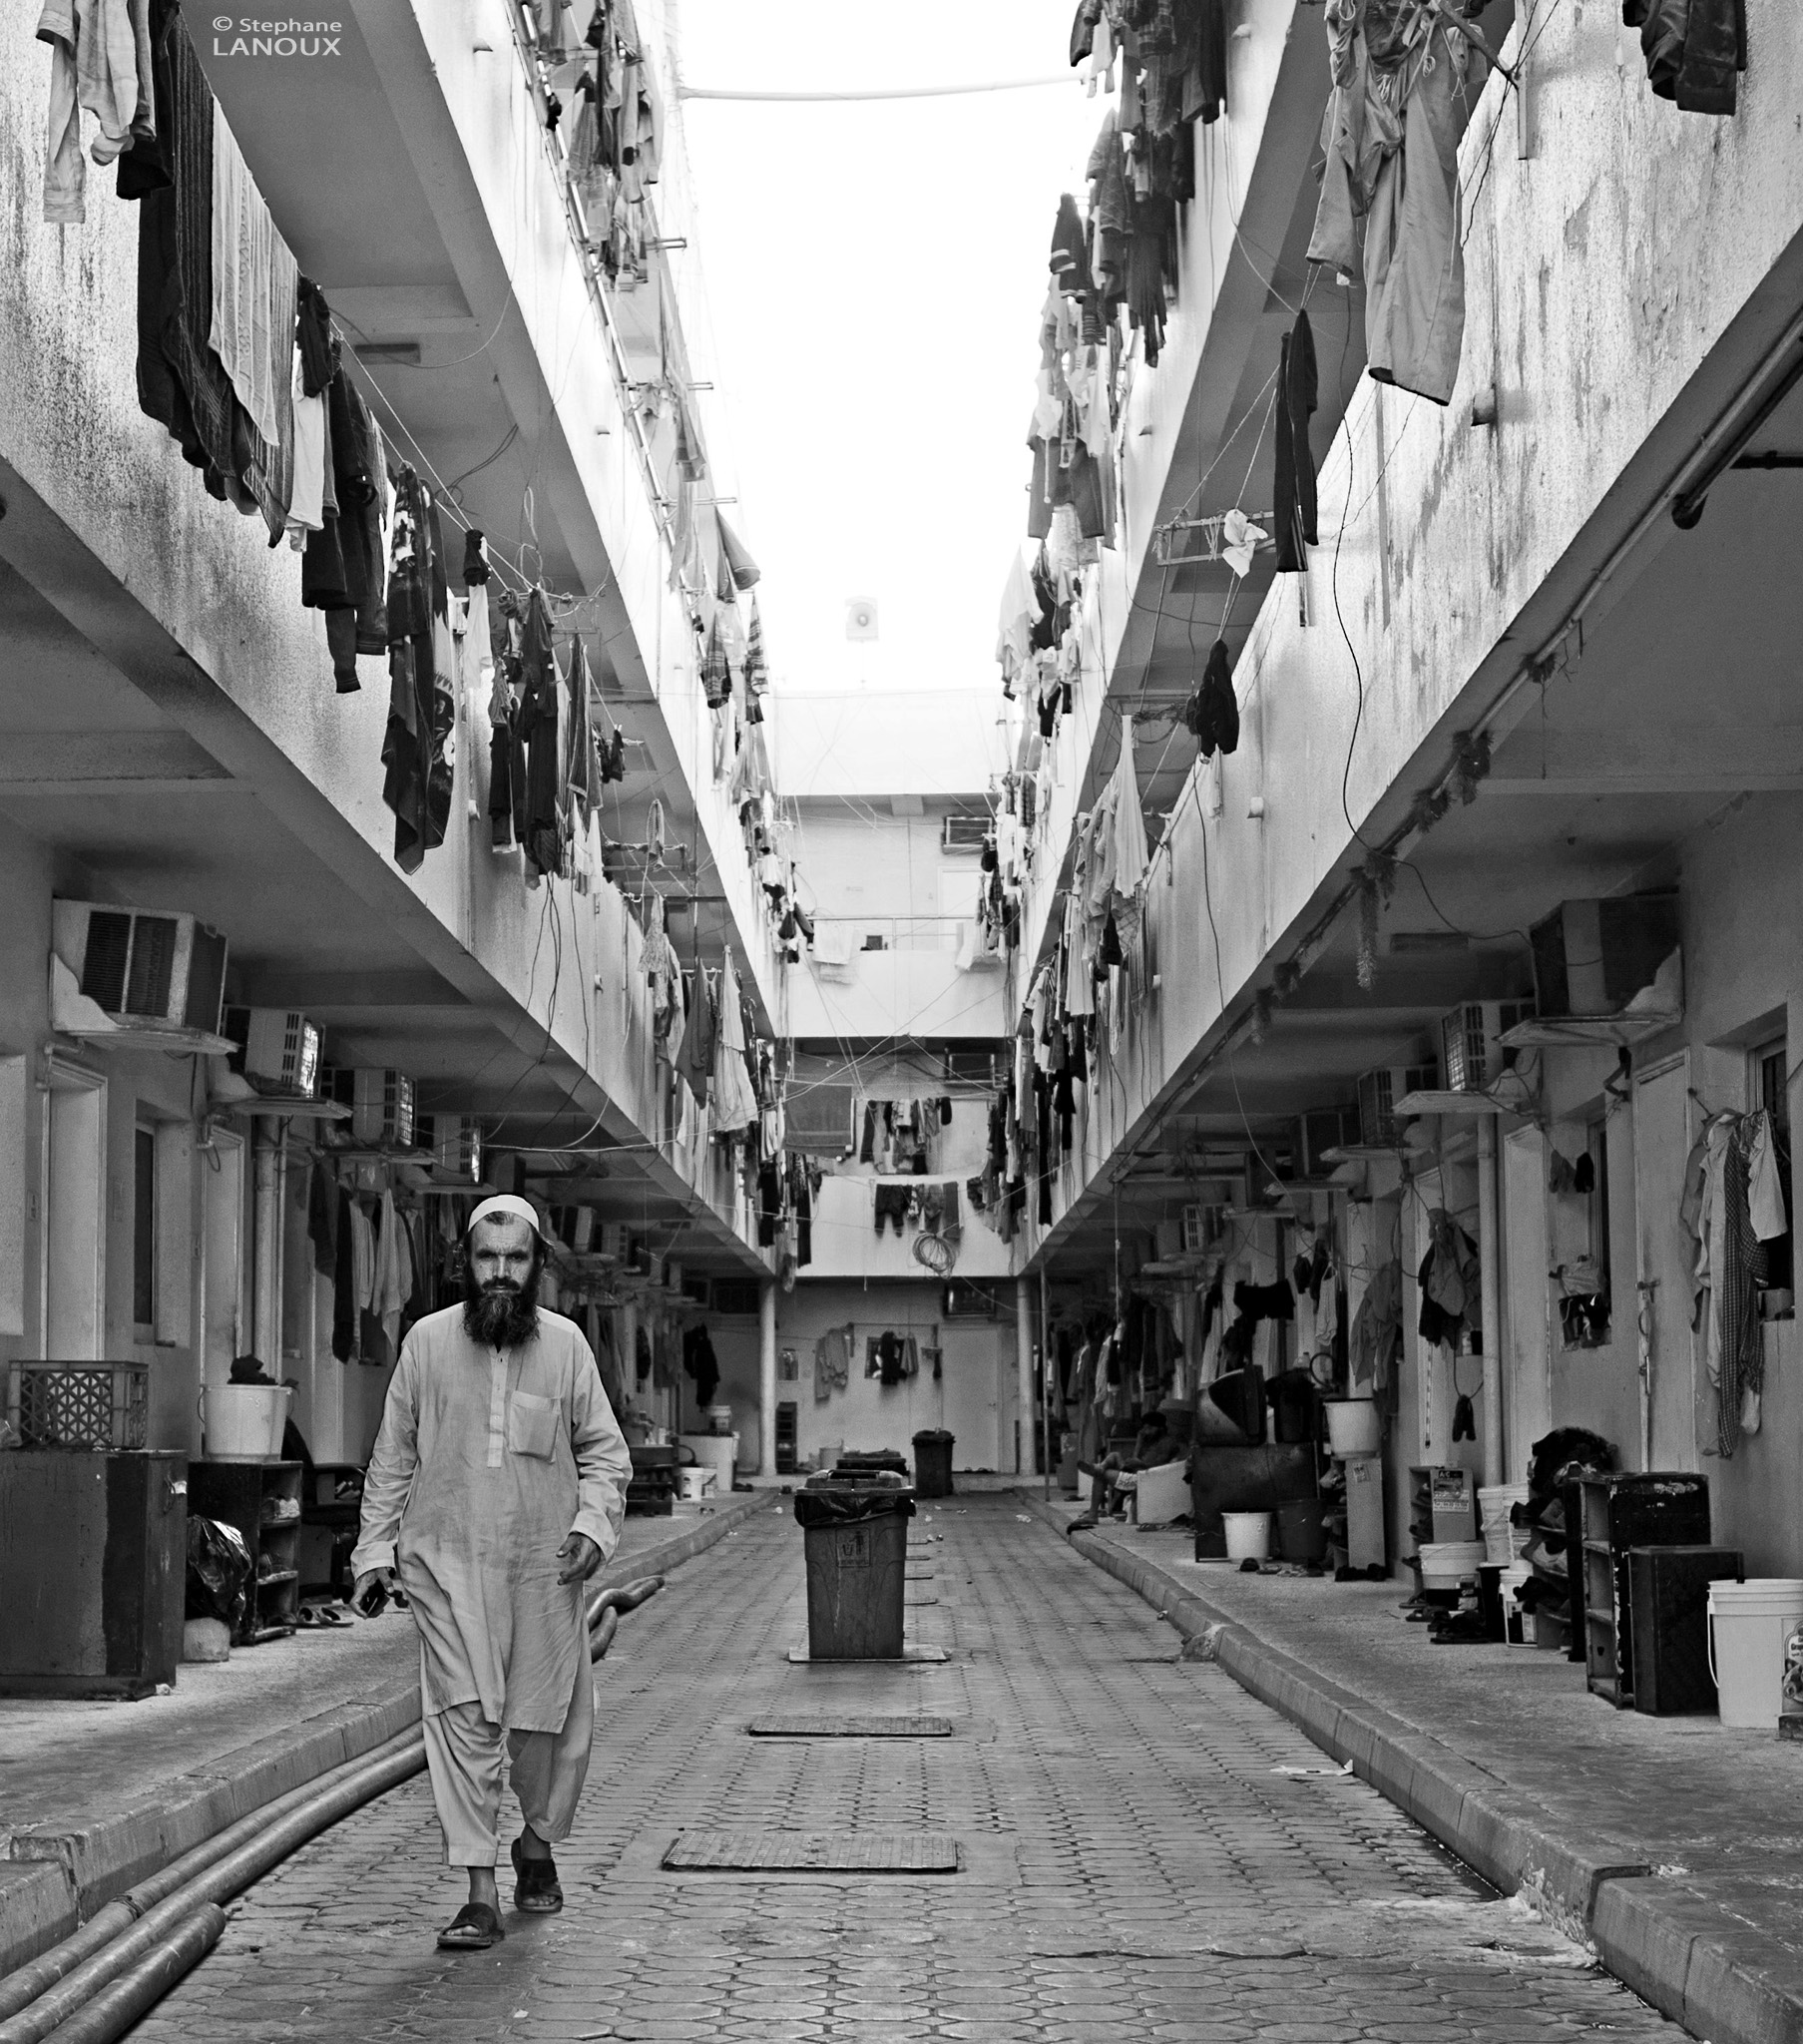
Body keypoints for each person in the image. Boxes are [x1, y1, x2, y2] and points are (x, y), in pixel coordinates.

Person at [350, 1194, 631, 1952]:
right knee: (464, 1723)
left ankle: (535, 1843)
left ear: (537, 1265)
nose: (500, 1273)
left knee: (549, 1729)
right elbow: (393, 1456)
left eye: (515, 1258)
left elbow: (605, 1455)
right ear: (464, 1263)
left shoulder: (567, 1346)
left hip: (544, 1571)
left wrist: (591, 1526)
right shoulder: (426, 1342)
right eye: (487, 1258)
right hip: (446, 1568)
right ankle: (479, 1892)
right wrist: (374, 1552)